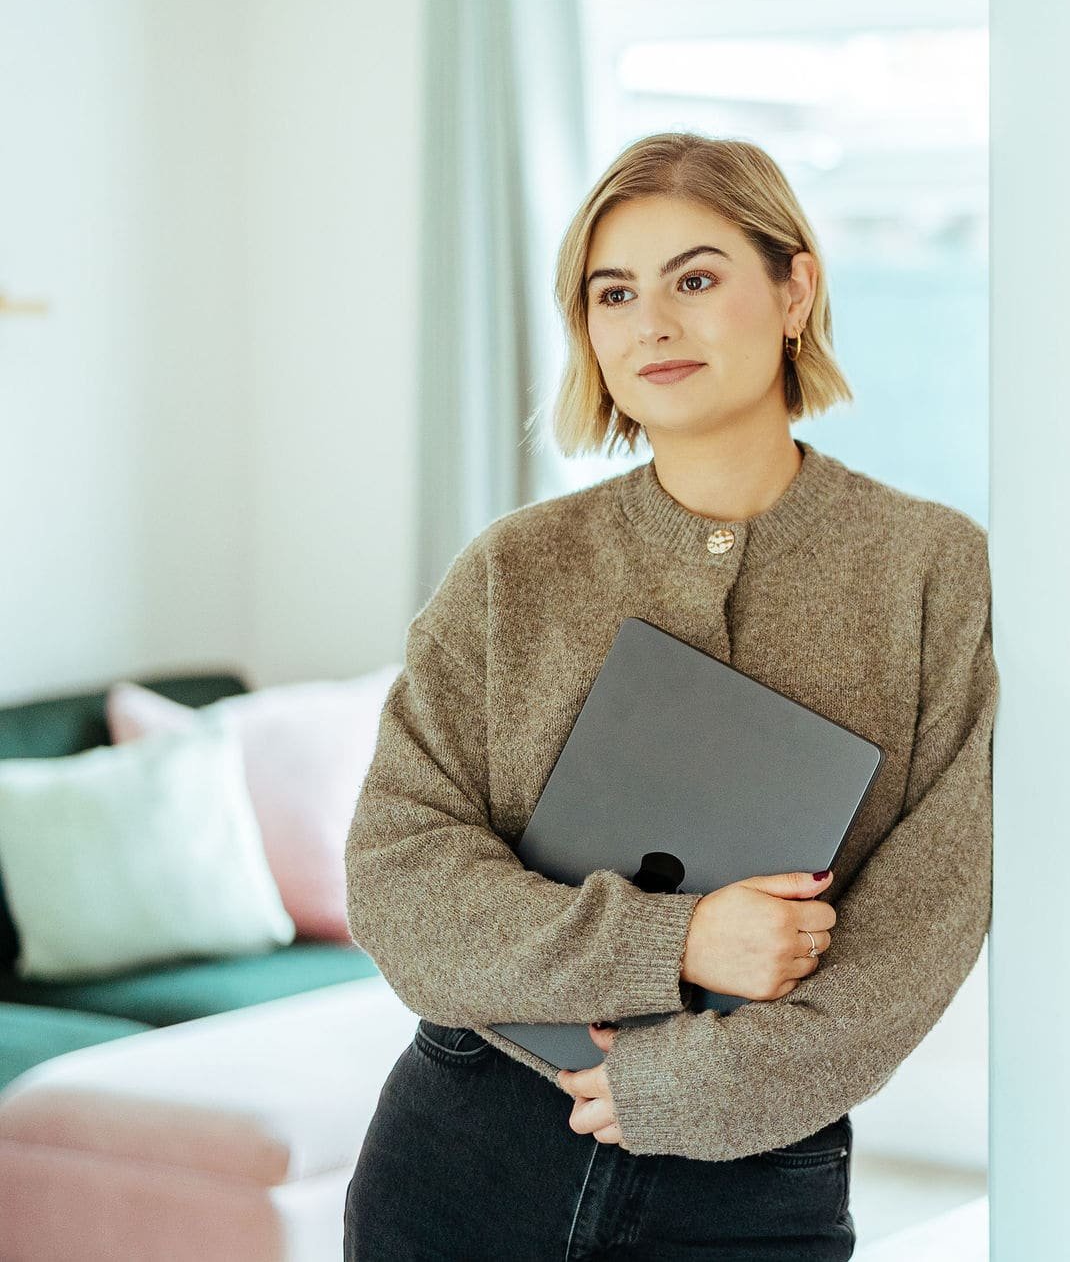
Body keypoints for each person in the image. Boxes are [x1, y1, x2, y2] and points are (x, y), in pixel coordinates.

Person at [340, 131, 997, 1260]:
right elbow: (397, 881)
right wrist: (676, 939)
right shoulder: (513, 571)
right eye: (613, 293)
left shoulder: (930, 569)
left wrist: (699, 1088)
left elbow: (927, 915)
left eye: (695, 279)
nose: (651, 323)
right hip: (460, 1157)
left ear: (794, 289)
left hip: (751, 1177)